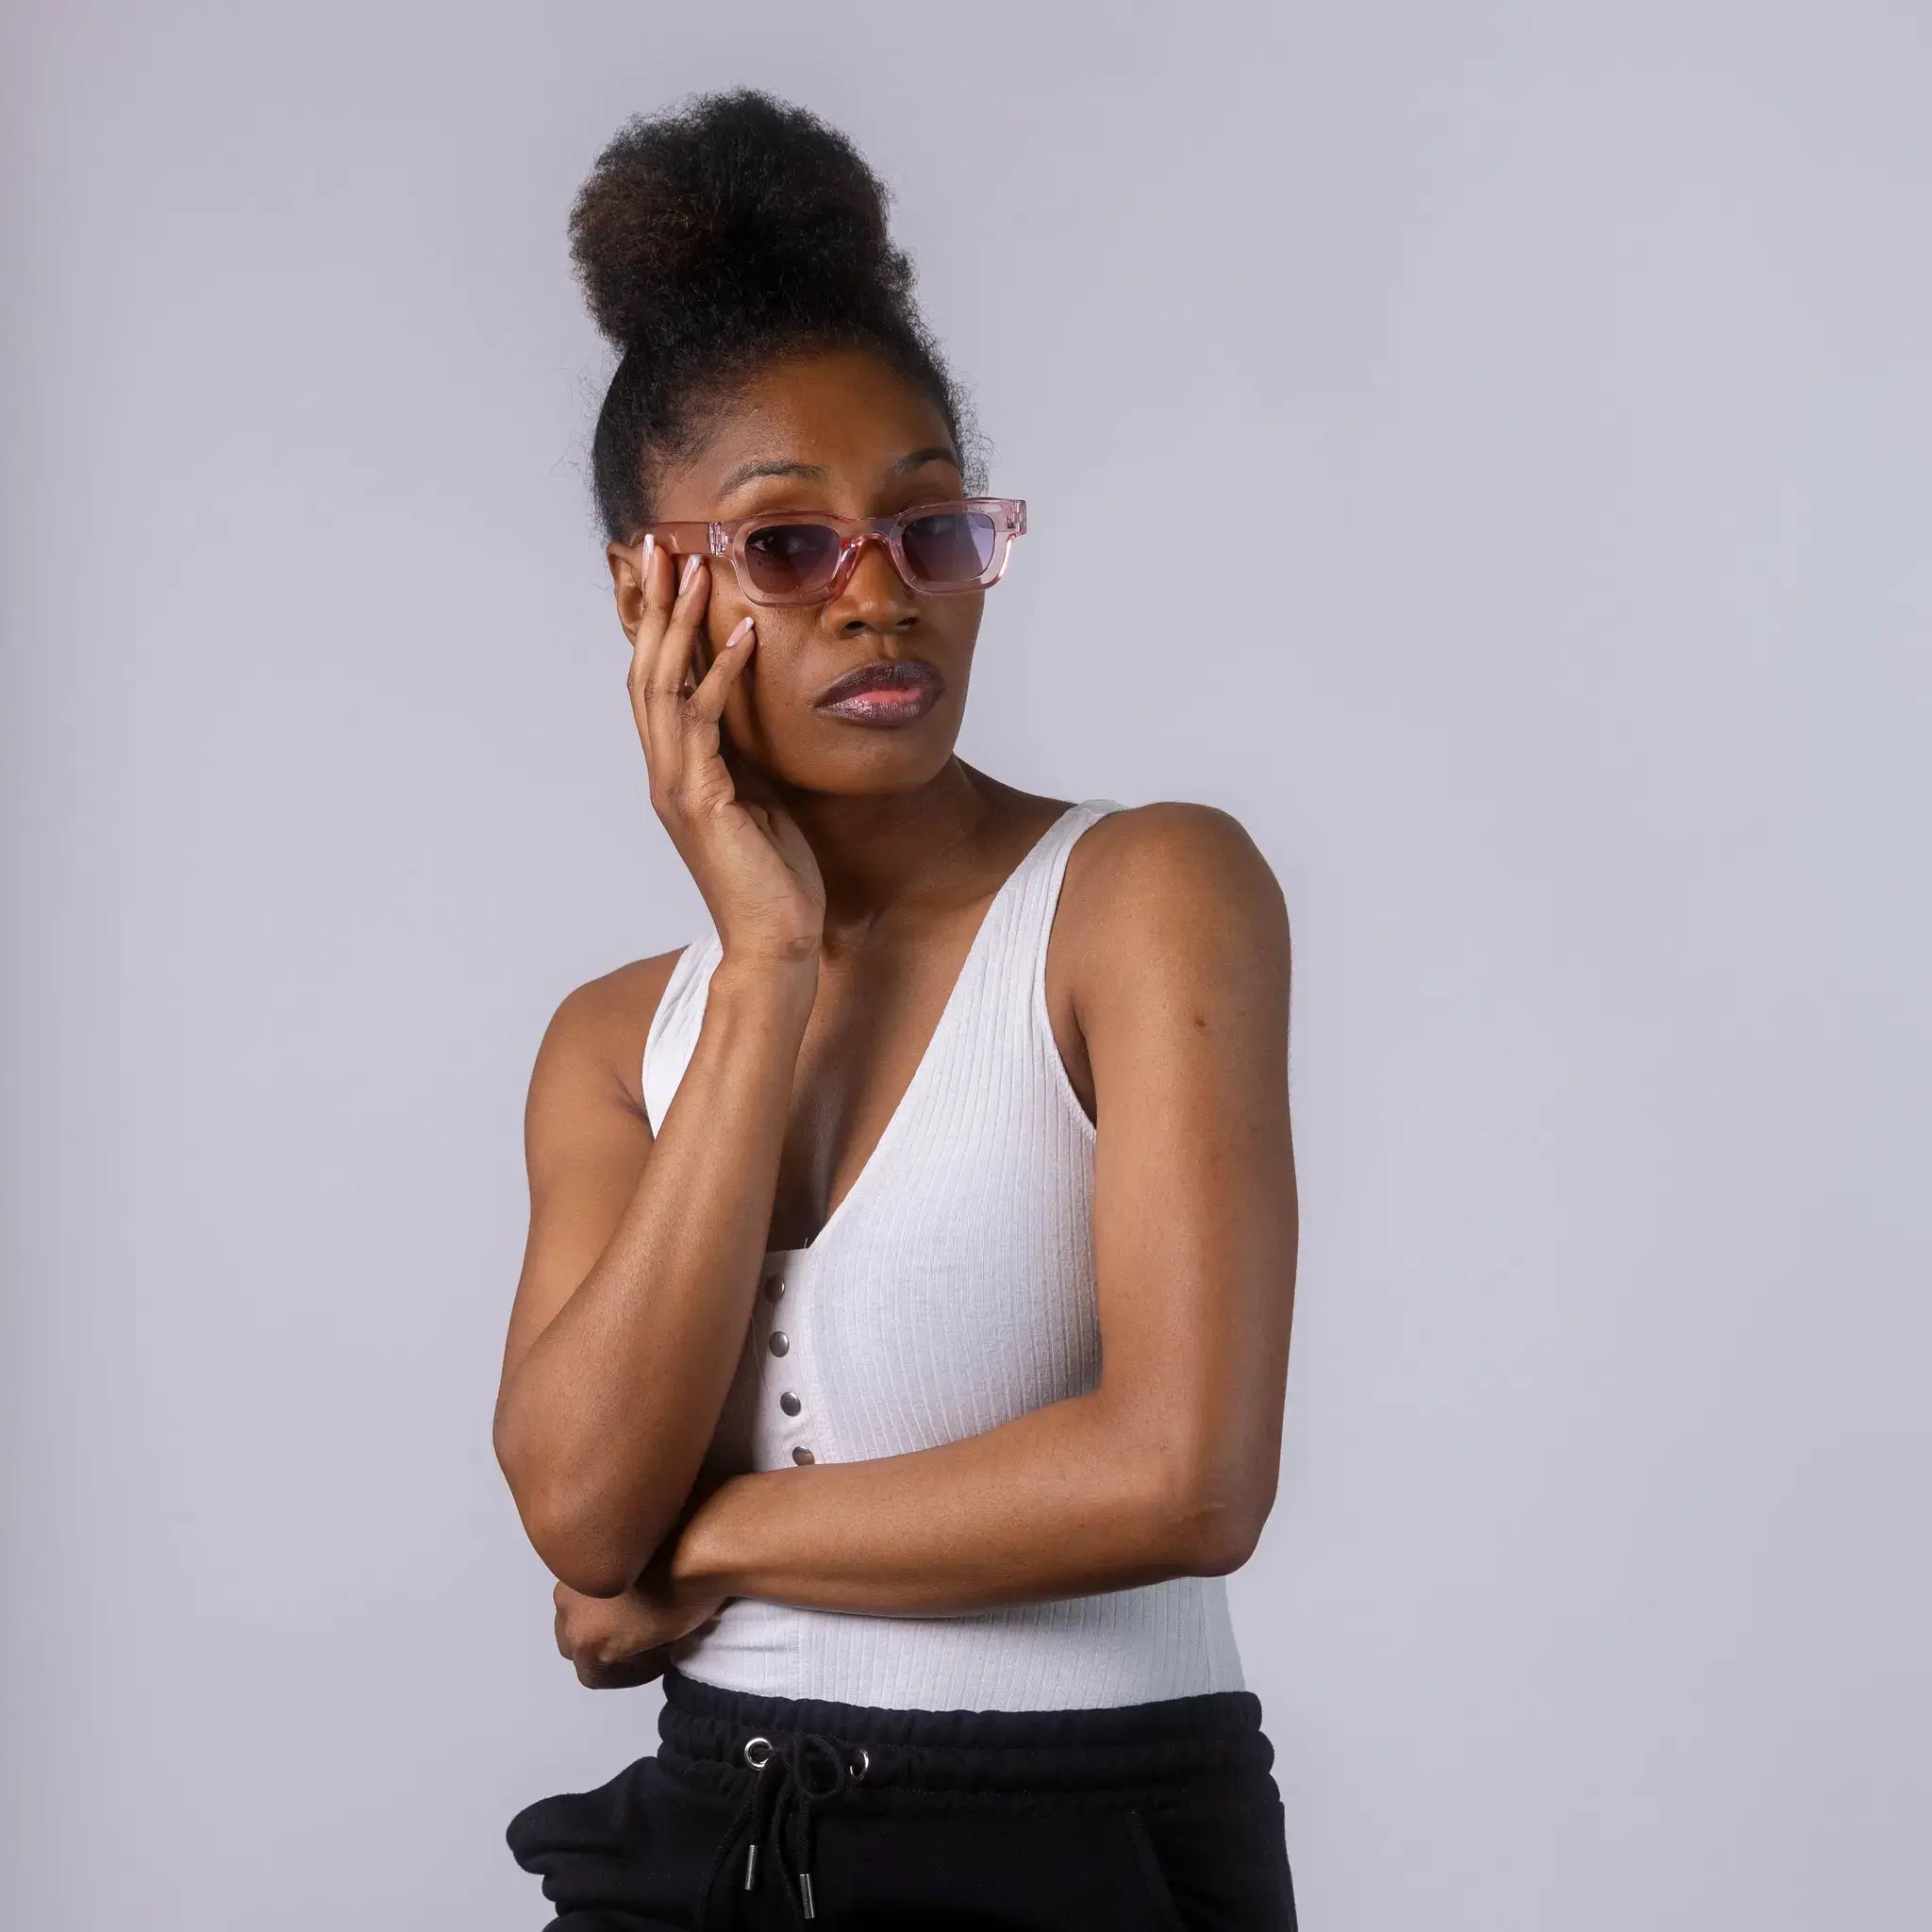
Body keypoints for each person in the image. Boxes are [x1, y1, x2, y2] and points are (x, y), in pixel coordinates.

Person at [492, 86, 1300, 1930]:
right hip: (697, 1844)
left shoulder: (1146, 896)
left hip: (1071, 1849)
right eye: (786, 546)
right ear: (648, 591)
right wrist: (767, 957)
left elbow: (1185, 1473)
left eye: (930, 531)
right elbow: (570, 1504)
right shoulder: (617, 1042)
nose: (881, 598)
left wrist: (707, 1544)